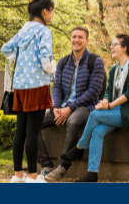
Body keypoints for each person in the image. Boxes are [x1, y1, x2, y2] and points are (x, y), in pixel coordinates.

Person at [59, 33, 129, 183]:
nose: (111, 47)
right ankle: (92, 174)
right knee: (97, 131)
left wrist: (110, 105)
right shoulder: (114, 69)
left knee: (94, 115)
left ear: (124, 48)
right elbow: (107, 91)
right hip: (115, 112)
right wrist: (105, 101)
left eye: (115, 44)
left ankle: (79, 148)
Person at [38, 26, 106, 182]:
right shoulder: (63, 62)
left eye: (80, 37)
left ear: (87, 41)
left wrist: (70, 108)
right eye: (74, 36)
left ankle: (63, 166)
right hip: (62, 107)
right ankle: (46, 164)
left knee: (73, 121)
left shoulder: (95, 61)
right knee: (32, 123)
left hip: (85, 107)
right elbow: (56, 88)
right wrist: (55, 107)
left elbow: (94, 91)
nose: (76, 40)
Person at [1, 0, 56, 183]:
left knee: (21, 131)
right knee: (33, 132)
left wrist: (20, 59)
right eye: (51, 12)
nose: (52, 16)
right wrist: (53, 69)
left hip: (20, 86)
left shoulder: (23, 30)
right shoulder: (44, 31)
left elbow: (6, 48)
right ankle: (33, 176)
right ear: (44, 11)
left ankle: (17, 176)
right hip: (37, 86)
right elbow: (45, 60)